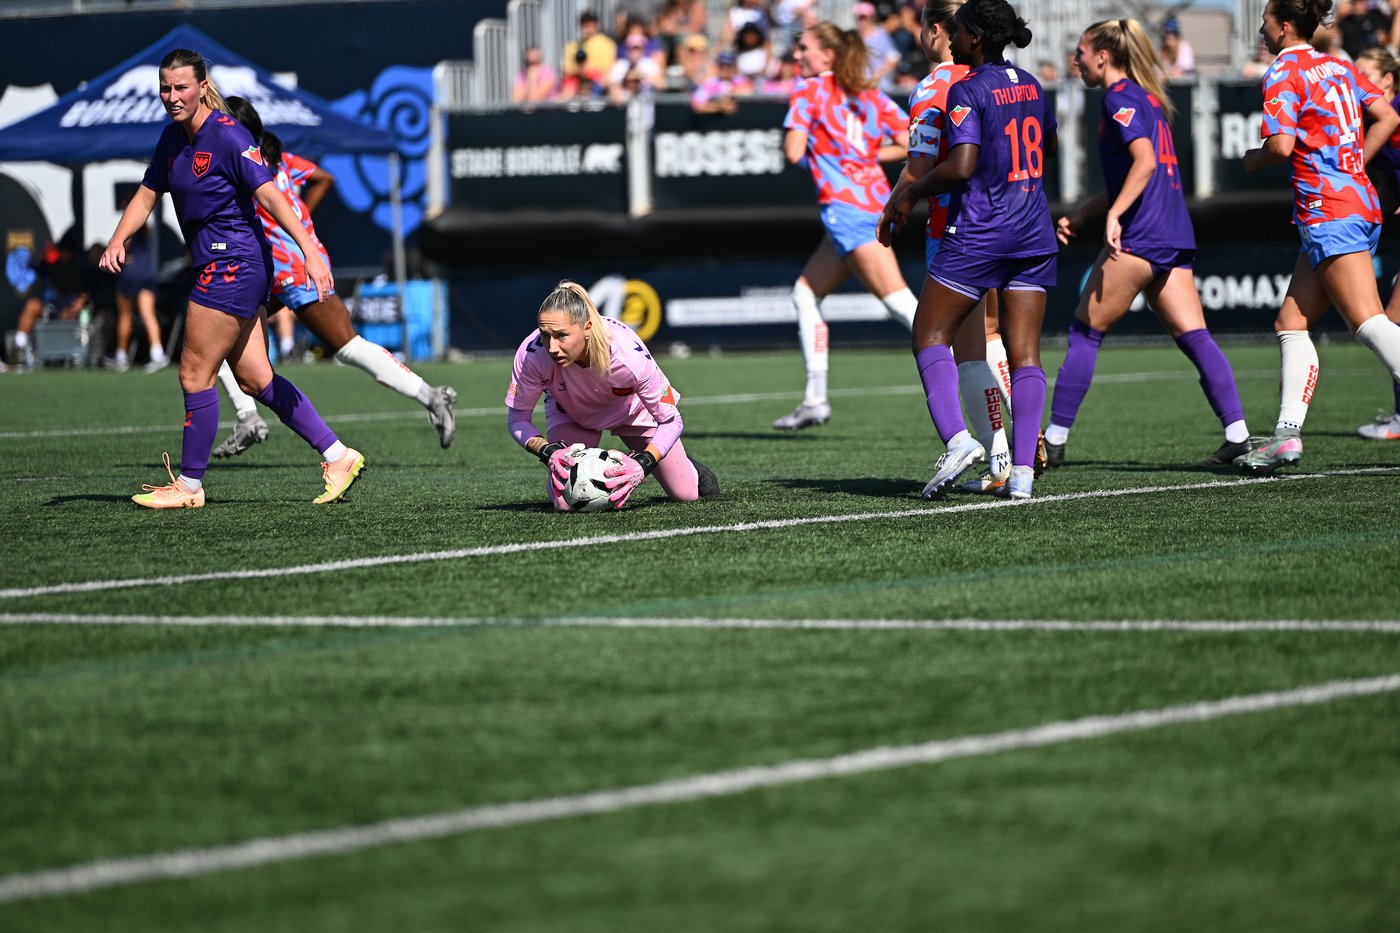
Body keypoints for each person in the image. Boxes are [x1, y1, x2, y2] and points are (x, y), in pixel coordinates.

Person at [98, 48, 365, 508]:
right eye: (165, 88)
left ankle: (189, 487)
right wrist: (117, 239)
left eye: (181, 87)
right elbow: (145, 197)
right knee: (256, 379)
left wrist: (311, 253)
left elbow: (274, 198)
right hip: (228, 265)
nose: (172, 96)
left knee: (194, 374)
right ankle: (338, 455)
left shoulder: (227, 135)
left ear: (203, 87)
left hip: (233, 264)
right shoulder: (171, 140)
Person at [1050, 19, 1251, 468]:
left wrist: (1116, 216)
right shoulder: (1147, 98)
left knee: (1085, 333)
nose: (1076, 59)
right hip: (1173, 235)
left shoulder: (1120, 98)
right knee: (1195, 338)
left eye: (1081, 51)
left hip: (1143, 236)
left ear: (1103, 56)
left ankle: (1054, 441)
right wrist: (1085, 213)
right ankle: (1238, 436)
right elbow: (1135, 174)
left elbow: (1142, 162)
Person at [209, 96, 457, 457]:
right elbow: (323, 176)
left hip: (290, 268)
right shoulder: (279, 160)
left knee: (348, 346)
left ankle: (431, 396)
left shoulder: (240, 163)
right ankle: (248, 417)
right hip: (283, 265)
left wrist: (290, 228)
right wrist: (301, 218)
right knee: (218, 339)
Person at [879, 0, 1057, 500]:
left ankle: (959, 440)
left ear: (974, 36)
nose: (953, 38)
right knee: (1024, 356)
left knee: (930, 335)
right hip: (1032, 227)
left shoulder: (961, 88)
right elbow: (1048, 147)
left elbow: (956, 166)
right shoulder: (1031, 83)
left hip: (977, 229)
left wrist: (908, 195)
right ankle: (1017, 471)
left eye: (959, 30)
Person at [1238, 0, 1400, 473]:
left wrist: (1254, 158)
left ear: (1284, 26)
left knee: (1367, 323)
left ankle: (1286, 437)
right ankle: (1286, 437)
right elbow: (1387, 117)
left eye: (1266, 19)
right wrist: (1352, 165)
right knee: (1290, 322)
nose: (1261, 28)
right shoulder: (1337, 65)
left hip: (1329, 211)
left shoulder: (1283, 71)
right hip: (1355, 204)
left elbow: (1282, 145)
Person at [771, 20, 916, 431]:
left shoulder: (810, 90)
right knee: (804, 294)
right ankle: (815, 399)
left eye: (803, 49)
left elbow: (794, 150)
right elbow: (910, 140)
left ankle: (975, 366)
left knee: (905, 306)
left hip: (847, 210)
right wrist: (863, 154)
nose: (796, 55)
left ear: (827, 55)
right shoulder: (866, 92)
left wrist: (828, 151)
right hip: (870, 203)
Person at [506, 280, 719, 510]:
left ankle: (689, 466)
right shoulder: (532, 354)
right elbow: (517, 419)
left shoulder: (629, 355)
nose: (552, 347)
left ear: (587, 328)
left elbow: (671, 419)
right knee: (564, 503)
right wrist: (548, 452)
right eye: (545, 335)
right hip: (573, 415)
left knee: (686, 494)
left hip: (633, 412)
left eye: (561, 335)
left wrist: (642, 464)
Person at [1347, 47, 1400, 439]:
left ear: (1387, 80)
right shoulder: (1370, 123)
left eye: (1365, 74)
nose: (1356, 80)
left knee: (1393, 320)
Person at [103, 196, 170, 374]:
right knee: (148, 314)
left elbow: (124, 243)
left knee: (125, 315)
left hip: (132, 273)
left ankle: (121, 356)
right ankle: (157, 353)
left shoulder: (131, 225)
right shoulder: (146, 228)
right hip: (147, 273)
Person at [12, 232, 87, 370]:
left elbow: (85, 293)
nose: (62, 254)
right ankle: (19, 346)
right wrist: (45, 254)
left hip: (69, 309)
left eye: (65, 251)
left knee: (67, 314)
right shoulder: (51, 264)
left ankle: (67, 356)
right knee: (32, 305)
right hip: (51, 306)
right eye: (61, 250)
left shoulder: (80, 268)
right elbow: (32, 265)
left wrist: (79, 304)